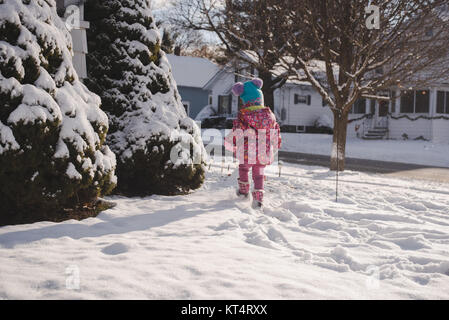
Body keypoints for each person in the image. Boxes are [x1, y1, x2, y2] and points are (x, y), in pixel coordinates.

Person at [224, 78, 282, 208]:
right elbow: (275, 131)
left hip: (247, 151)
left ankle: (244, 191)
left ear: (245, 101)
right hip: (263, 151)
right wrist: (276, 143)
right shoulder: (270, 116)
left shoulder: (243, 116)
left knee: (244, 168)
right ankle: (258, 199)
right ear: (260, 99)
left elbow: (238, 132)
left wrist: (232, 143)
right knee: (259, 173)